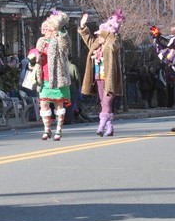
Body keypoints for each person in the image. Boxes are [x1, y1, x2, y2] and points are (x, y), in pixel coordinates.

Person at [78, 9, 125, 137]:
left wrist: (107, 33)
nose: (98, 38)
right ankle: (110, 128)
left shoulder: (114, 43)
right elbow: (88, 39)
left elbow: (113, 42)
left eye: (100, 36)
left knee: (106, 102)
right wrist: (83, 26)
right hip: (99, 77)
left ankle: (101, 126)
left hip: (111, 79)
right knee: (103, 102)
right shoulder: (97, 45)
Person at [29, 11, 72, 141]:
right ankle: (47, 130)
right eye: (44, 28)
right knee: (44, 105)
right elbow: (35, 61)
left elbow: (66, 45)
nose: (45, 30)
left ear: (53, 29)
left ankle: (58, 130)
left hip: (58, 78)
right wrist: (33, 60)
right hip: (44, 79)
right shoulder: (40, 41)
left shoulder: (59, 39)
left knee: (59, 106)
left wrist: (62, 30)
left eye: (47, 28)